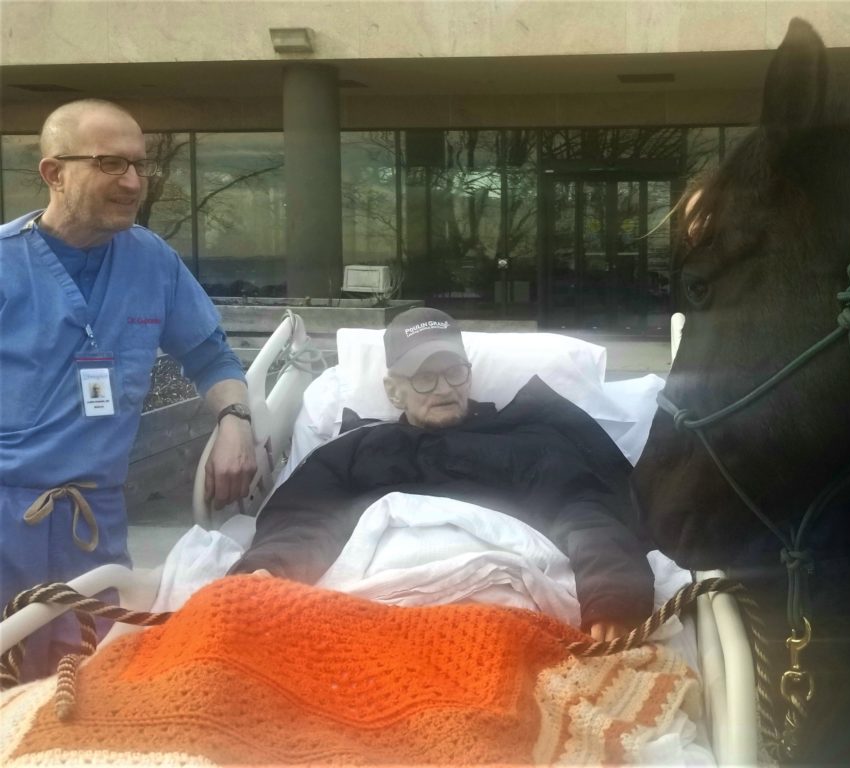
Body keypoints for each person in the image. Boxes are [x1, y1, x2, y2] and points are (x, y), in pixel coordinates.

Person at [0, 99, 257, 677]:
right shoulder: (5, 264)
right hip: (5, 512)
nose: (134, 182)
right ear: (54, 172)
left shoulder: (151, 261)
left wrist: (235, 420)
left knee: (88, 685)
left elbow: (211, 355)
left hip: (95, 521)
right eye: (110, 164)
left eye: (140, 165)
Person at [232, 308, 654, 641]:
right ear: (393, 390)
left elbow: (583, 512)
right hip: (373, 612)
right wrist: (270, 568)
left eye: (454, 372)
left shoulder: (525, 441)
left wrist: (613, 596)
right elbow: (306, 519)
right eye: (424, 378)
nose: (445, 388)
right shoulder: (353, 451)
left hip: (503, 614)